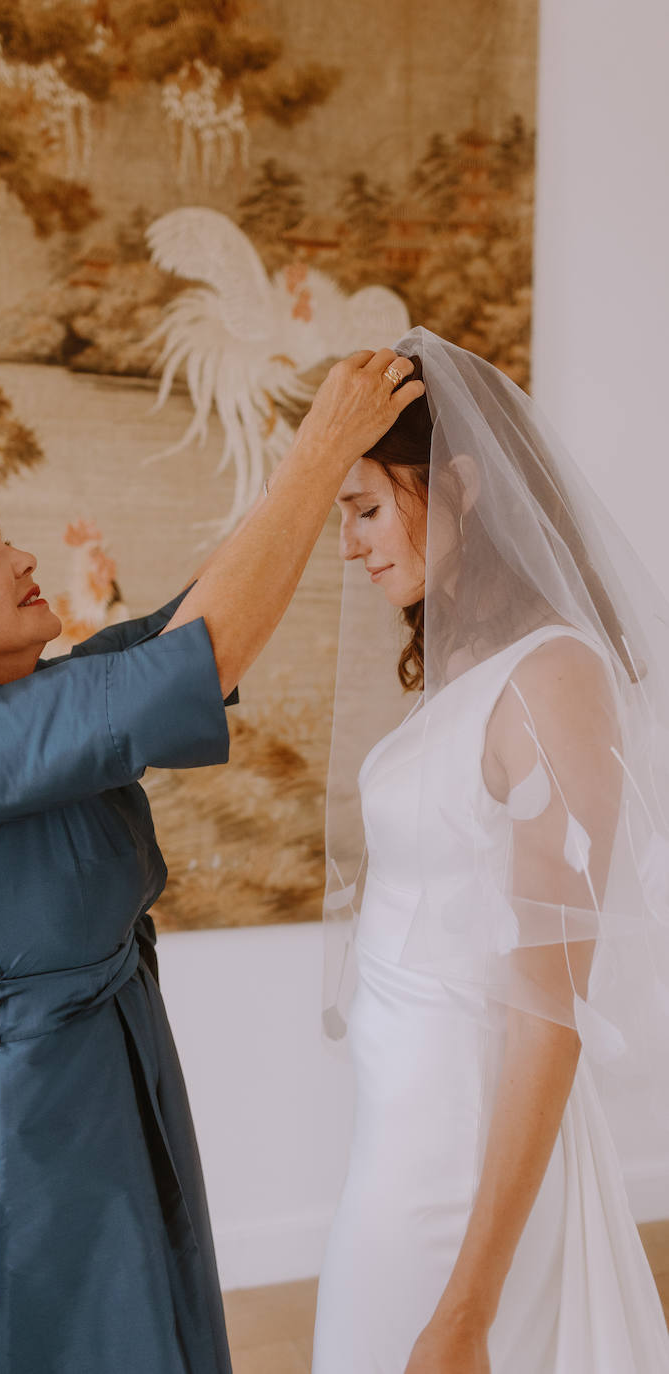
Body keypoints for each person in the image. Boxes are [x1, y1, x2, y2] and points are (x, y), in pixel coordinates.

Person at [0, 349, 423, 1374]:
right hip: (15, 1128)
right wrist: (318, 454)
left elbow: (189, 625)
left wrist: (311, 472)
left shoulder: (23, 708)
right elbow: (204, 652)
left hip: (92, 1077)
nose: (20, 557)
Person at [313, 327, 669, 1373]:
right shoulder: (467, 669)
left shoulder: (553, 677)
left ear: (459, 485)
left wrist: (468, 1302)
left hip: (465, 1161)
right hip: (403, 1134)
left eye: (367, 508)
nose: (349, 545)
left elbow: (546, 1005)